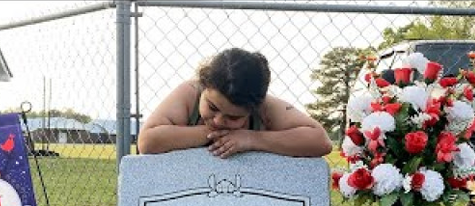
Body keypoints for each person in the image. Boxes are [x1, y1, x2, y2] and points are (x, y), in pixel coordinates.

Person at [138, 48, 332, 158]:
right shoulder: (190, 92)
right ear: (204, 86)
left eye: (233, 117)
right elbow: (147, 141)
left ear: (254, 109)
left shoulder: (266, 107)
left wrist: (251, 138)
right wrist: (210, 135)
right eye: (212, 107)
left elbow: (320, 141)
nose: (219, 121)